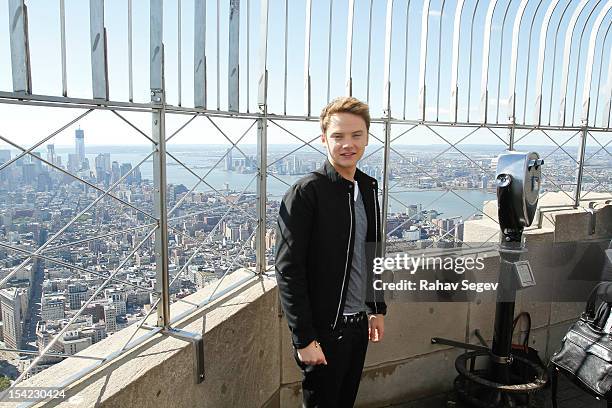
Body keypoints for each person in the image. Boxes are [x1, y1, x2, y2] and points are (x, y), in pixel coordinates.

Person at [275, 96, 387, 407]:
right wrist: (304, 340)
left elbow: (372, 253)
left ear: (367, 137)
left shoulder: (366, 188)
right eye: (338, 136)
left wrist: (377, 308)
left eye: (356, 135)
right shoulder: (306, 193)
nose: (347, 144)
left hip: (358, 325)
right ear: (324, 138)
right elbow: (288, 270)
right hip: (325, 332)